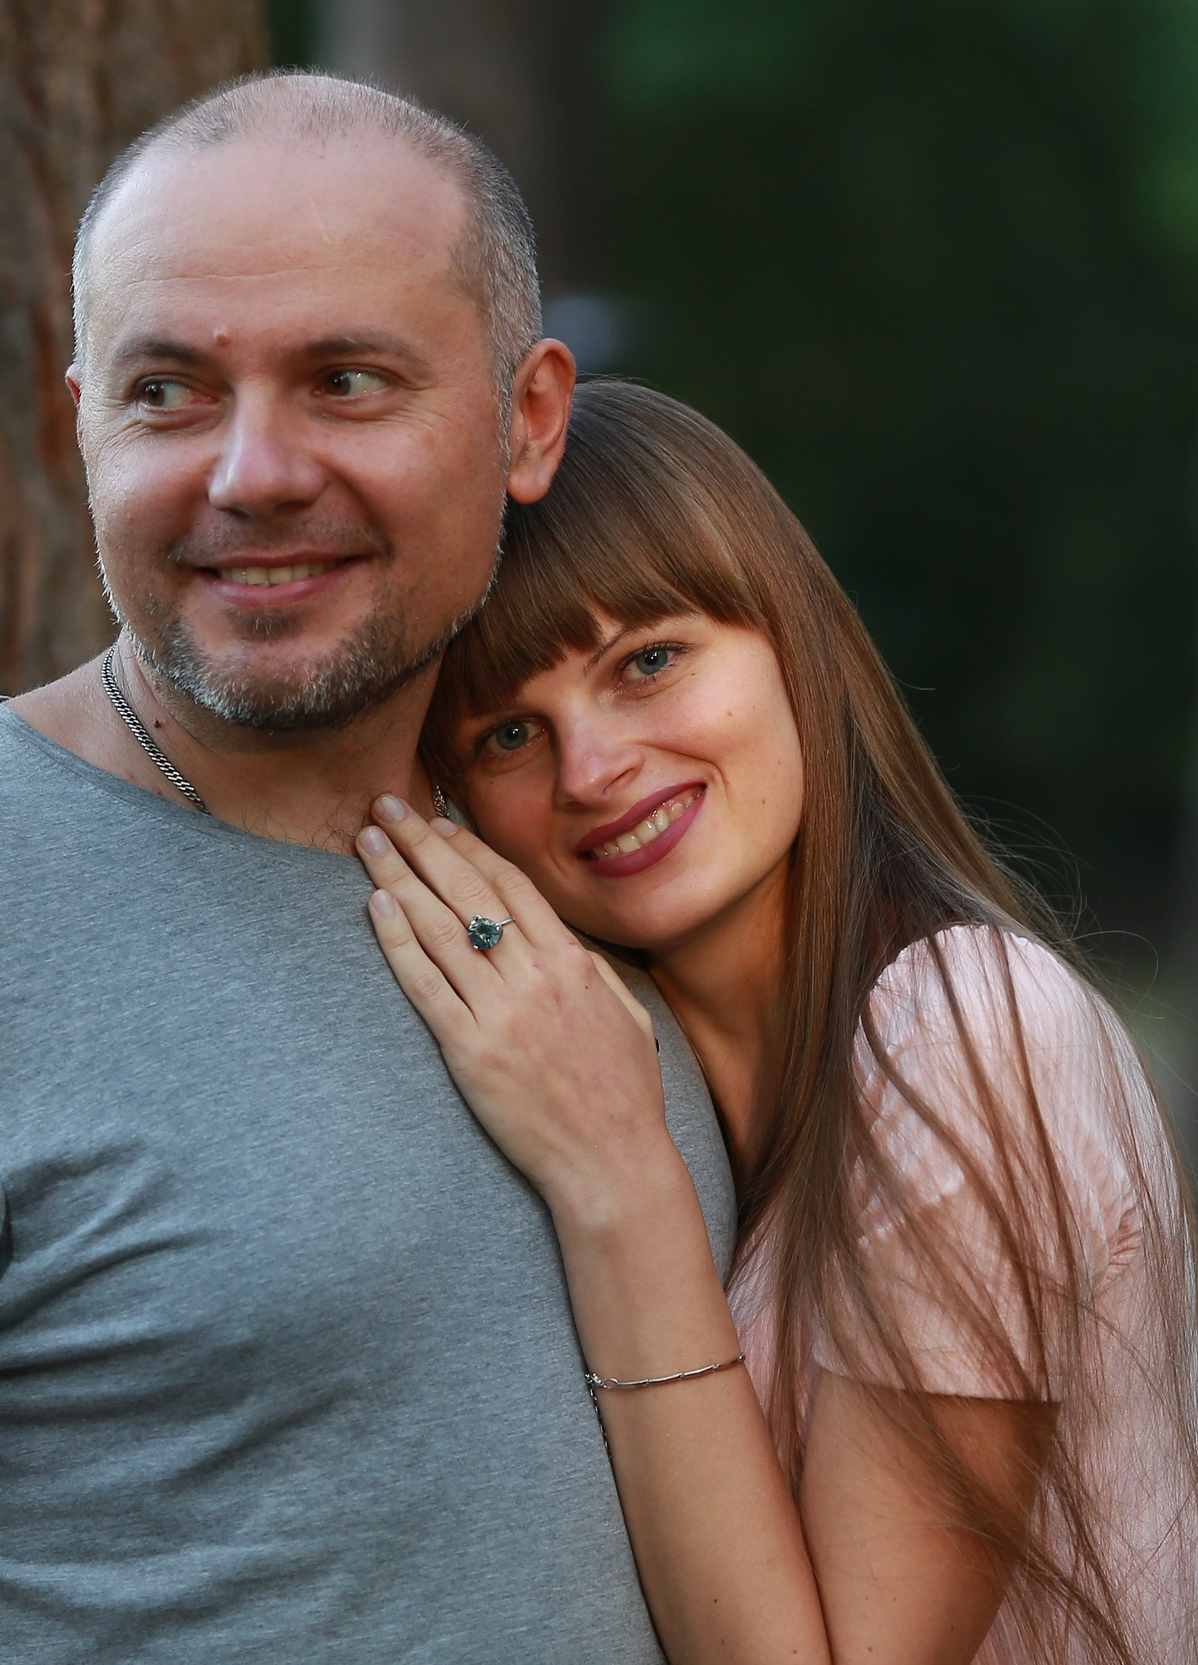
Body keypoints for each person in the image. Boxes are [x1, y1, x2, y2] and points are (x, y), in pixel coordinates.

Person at [0, 78, 736, 1663]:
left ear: (526, 420)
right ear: (78, 427)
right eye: (168, 393)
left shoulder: (600, 848)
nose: (250, 474)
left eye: (346, 380)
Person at [354, 379, 1198, 1664]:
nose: (592, 771)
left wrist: (618, 1183)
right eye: (512, 734)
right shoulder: (671, 1085)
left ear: (789, 639)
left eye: (647, 661)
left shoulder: (964, 1029)